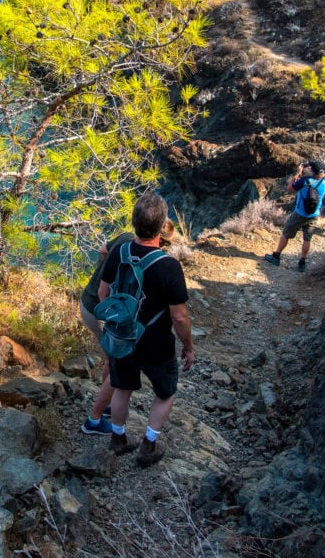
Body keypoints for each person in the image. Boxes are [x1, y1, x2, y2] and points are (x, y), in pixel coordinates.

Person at [99, 192, 194, 467]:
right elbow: (179, 317)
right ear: (162, 226)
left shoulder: (119, 252)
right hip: (156, 343)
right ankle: (149, 445)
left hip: (122, 336)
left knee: (122, 387)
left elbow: (104, 294)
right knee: (165, 392)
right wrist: (188, 347)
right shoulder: (169, 266)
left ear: (133, 222)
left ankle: (118, 439)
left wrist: (117, 322)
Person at [78, 220, 176, 436]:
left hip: (88, 302)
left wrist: (104, 273)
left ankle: (108, 406)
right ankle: (94, 420)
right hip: (103, 311)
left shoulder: (124, 240)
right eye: (165, 243)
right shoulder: (152, 259)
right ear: (159, 238)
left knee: (112, 360)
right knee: (117, 364)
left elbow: (102, 250)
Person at [263, 161, 325, 272]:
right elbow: (324, 176)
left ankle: (276, 256)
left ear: (312, 171)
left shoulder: (305, 181)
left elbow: (290, 188)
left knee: (286, 233)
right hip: (314, 214)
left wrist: (298, 173)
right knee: (307, 238)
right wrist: (320, 172)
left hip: (300, 213)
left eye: (310, 168)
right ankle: (302, 263)